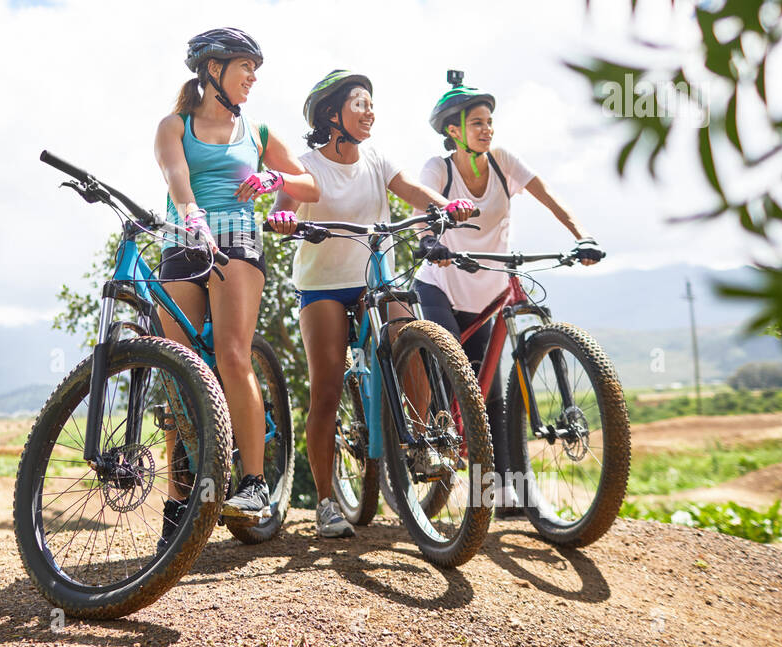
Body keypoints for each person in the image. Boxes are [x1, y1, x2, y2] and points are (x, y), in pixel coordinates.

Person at [268, 70, 475, 538]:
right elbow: (283, 201)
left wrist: (444, 204)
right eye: (360, 103)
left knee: (412, 342)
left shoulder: (377, 159)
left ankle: (422, 441)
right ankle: (325, 501)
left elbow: (413, 193)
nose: (370, 112)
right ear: (331, 114)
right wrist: (282, 218)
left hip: (376, 281)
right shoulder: (307, 165)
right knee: (324, 391)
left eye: (371, 103)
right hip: (323, 284)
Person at [153, 28, 318, 547]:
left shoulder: (259, 131)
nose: (252, 78)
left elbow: (308, 183)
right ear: (211, 70)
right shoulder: (173, 125)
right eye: (244, 66)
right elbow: (177, 177)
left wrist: (274, 183)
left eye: (255, 69)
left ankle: (252, 483)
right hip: (184, 240)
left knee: (231, 354)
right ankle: (182, 500)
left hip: (239, 242)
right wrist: (191, 215)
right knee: (178, 372)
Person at [413, 71, 603, 512]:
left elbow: (548, 195)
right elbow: (423, 217)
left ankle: (498, 489)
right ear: (453, 130)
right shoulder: (437, 170)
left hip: (489, 287)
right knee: (454, 370)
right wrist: (431, 242)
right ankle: (433, 445)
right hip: (442, 282)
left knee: (493, 395)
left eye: (490, 121)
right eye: (477, 122)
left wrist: (583, 234)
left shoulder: (502, 161)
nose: (487, 129)